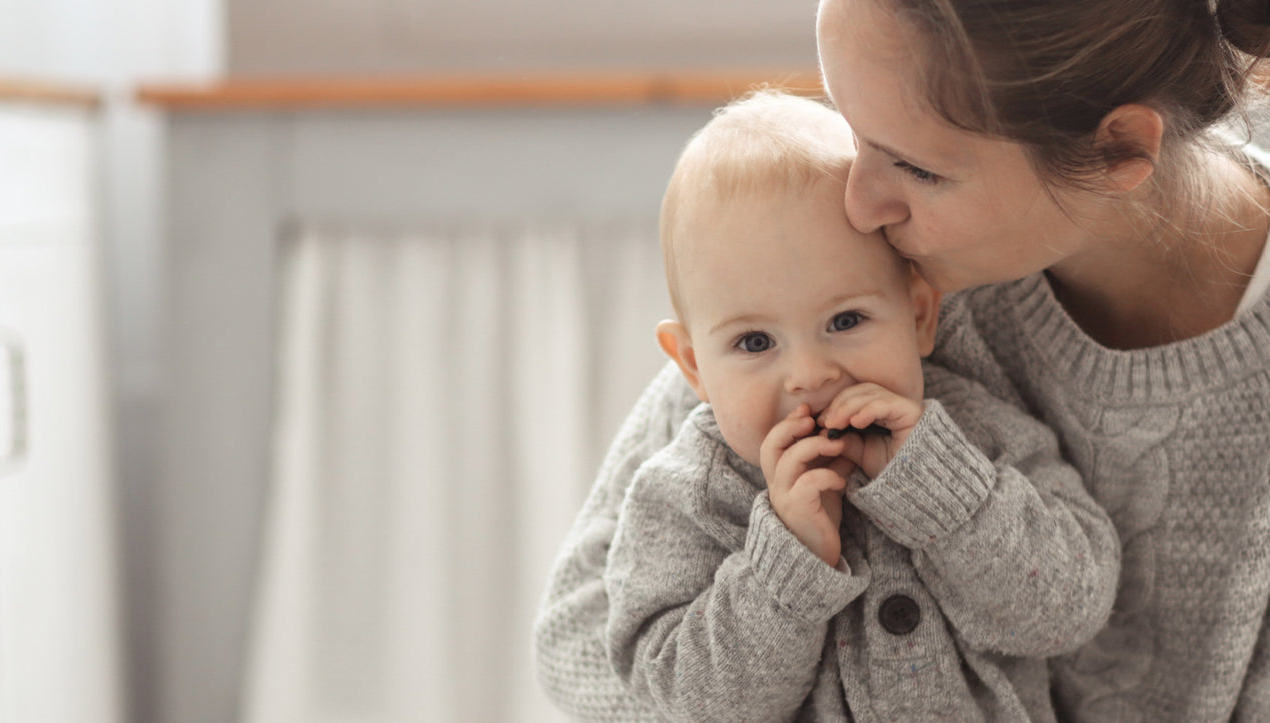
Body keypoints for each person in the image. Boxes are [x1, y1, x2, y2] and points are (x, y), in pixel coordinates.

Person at [534, 0, 1270, 720]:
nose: (855, 205)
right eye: (851, 133)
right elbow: (582, 646)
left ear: (1117, 150)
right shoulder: (853, 282)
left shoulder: (892, 302)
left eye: (915, 167)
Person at [599, 88, 1119, 722]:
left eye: (846, 319)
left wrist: (948, 498)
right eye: (754, 341)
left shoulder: (972, 434)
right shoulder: (683, 496)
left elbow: (1071, 609)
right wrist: (784, 568)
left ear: (920, 315)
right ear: (692, 367)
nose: (811, 374)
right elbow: (677, 701)